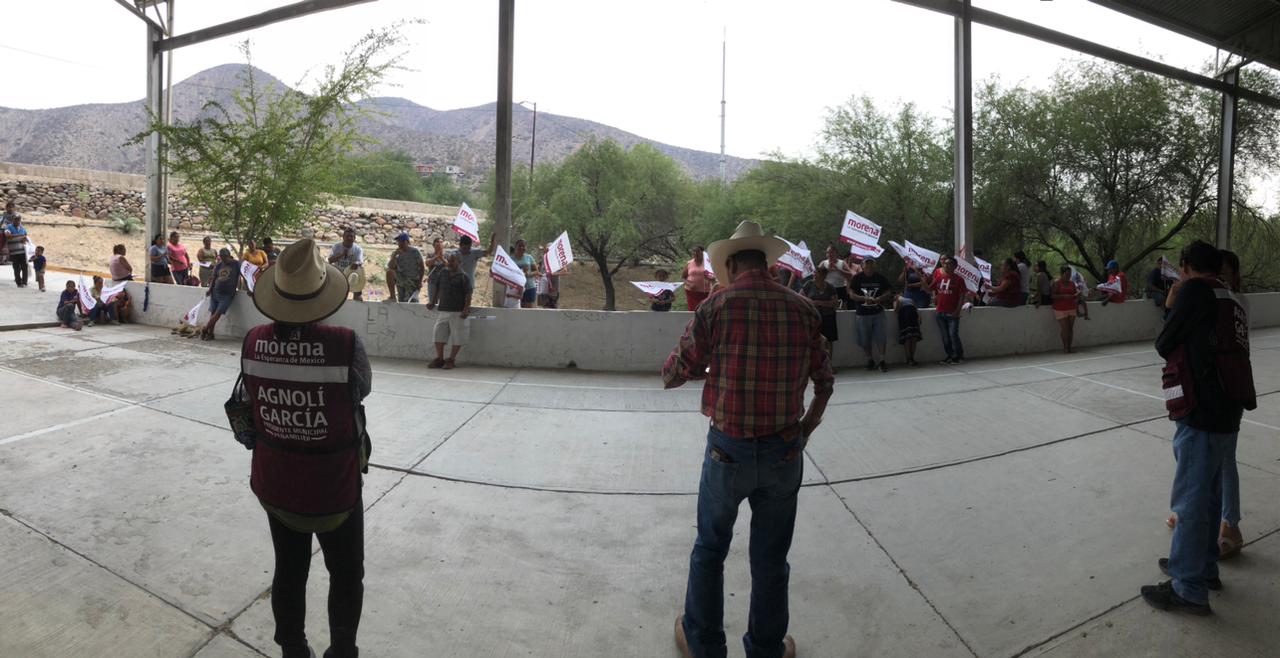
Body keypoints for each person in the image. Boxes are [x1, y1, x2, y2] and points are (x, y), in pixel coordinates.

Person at [663, 221, 833, 658]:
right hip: (784, 450)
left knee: (710, 548)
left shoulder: (716, 306)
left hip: (727, 452)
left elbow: (673, 374)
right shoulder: (803, 308)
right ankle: (766, 648)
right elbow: (825, 382)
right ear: (766, 262)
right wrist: (805, 429)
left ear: (734, 263)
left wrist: (708, 365)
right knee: (771, 559)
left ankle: (704, 645)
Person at [239, 238, 369, 658]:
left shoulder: (253, 342)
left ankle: (293, 649)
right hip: (335, 487)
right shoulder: (345, 344)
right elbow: (358, 393)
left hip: (277, 484)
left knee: (289, 571)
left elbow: (247, 408)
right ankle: (342, 651)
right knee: (347, 574)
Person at [1141, 241, 1256, 616]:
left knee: (1189, 501)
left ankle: (1187, 586)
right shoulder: (1231, 298)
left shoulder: (1194, 290)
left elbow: (1164, 342)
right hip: (1229, 410)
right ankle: (1202, 568)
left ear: (1187, 266)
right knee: (1208, 497)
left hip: (1201, 409)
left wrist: (1172, 301)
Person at [849, 257, 893, 372]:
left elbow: (889, 291)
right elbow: (851, 294)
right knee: (864, 338)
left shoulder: (880, 277)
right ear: (862, 266)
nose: (869, 267)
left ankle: (882, 360)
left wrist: (880, 298)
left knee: (881, 337)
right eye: (867, 265)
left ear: (874, 266)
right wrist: (863, 298)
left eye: (871, 265)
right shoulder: (857, 278)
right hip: (862, 313)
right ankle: (870, 359)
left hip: (878, 311)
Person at [429, 252, 472, 370]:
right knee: (438, 334)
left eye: (452, 261)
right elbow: (437, 287)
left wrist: (466, 308)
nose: (450, 263)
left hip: (458, 311)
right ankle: (440, 358)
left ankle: (451, 359)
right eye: (449, 260)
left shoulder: (464, 277)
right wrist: (433, 302)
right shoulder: (443, 273)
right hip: (443, 309)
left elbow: (468, 294)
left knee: (458, 337)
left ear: (459, 262)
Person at [931, 256, 967, 365]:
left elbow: (962, 296)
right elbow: (929, 288)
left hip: (952, 313)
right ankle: (950, 355)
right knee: (945, 337)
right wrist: (920, 276)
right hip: (940, 312)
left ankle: (958, 355)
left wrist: (957, 311)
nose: (946, 265)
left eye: (949, 264)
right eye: (945, 264)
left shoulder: (959, 280)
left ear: (955, 266)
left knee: (953, 335)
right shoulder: (939, 278)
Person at [202, 249, 240, 341]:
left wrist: (248, 288)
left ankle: (205, 329)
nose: (223, 259)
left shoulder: (236, 264)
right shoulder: (219, 265)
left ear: (229, 256)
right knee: (213, 313)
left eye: (225, 257)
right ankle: (210, 334)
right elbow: (214, 278)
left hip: (227, 294)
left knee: (218, 313)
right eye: (221, 257)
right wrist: (210, 289)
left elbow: (244, 275)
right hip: (216, 291)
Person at [802, 265, 840, 357]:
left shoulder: (830, 287)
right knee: (813, 340)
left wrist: (819, 303)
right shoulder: (809, 284)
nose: (815, 275)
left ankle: (829, 363)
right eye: (815, 272)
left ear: (824, 275)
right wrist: (810, 303)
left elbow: (835, 302)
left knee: (829, 340)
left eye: (817, 273)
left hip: (828, 316)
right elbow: (801, 297)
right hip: (813, 317)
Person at [327, 229, 366, 301]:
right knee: (336, 297)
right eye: (347, 236)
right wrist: (341, 255)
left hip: (351, 273)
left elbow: (360, 262)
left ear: (354, 238)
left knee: (358, 274)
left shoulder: (358, 249)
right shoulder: (336, 246)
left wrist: (357, 263)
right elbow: (330, 260)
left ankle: (357, 296)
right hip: (338, 272)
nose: (349, 238)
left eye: (351, 236)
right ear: (343, 237)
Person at [388, 233, 425, 303]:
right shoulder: (396, 253)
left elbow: (422, 267)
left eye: (402, 241)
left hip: (412, 280)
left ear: (407, 242)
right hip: (401, 279)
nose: (400, 244)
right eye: (399, 242)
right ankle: (392, 297)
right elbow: (391, 267)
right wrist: (395, 256)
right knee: (390, 272)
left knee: (410, 301)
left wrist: (420, 281)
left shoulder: (415, 252)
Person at [1050, 266, 1079, 353]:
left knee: (1070, 328)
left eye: (1070, 274)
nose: (1068, 276)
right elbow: (1052, 295)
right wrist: (1064, 296)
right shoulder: (1057, 283)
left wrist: (1077, 294)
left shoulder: (1072, 283)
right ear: (1062, 274)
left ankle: (1069, 346)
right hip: (1060, 308)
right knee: (1065, 328)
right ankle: (1065, 346)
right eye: (1067, 274)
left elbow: (1075, 292)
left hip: (1071, 306)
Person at [681, 245, 714, 311]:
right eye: (694, 251)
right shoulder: (689, 263)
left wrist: (711, 278)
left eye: (698, 251)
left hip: (706, 292)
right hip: (691, 292)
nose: (695, 253)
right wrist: (689, 284)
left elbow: (715, 276)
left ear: (702, 252)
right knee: (693, 310)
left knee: (705, 310)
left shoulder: (708, 263)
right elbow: (683, 277)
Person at [894, 293, 922, 367]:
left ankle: (912, 357)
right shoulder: (896, 301)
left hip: (913, 316)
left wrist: (919, 316)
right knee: (907, 338)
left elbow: (915, 308)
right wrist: (898, 304)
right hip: (904, 316)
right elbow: (896, 311)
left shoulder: (910, 299)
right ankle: (909, 358)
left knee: (914, 338)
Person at [511, 239, 539, 308]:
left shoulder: (529, 257)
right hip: (515, 289)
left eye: (523, 246)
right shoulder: (510, 259)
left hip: (529, 287)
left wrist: (528, 274)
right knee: (516, 311)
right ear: (515, 246)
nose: (521, 247)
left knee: (528, 312)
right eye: (519, 246)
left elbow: (536, 271)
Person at [5, 215, 29, 287]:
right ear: (13, 220)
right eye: (16, 219)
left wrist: (24, 239)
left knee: (25, 267)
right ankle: (19, 283)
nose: (17, 221)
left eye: (19, 220)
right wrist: (19, 235)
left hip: (23, 251)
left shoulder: (23, 228)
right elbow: (7, 235)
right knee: (16, 268)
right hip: (14, 252)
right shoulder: (9, 227)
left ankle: (24, 282)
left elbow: (25, 238)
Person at [424, 238, 448, 306]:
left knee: (443, 302)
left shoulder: (447, 255)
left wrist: (442, 258)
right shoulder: (430, 255)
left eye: (441, 244)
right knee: (432, 302)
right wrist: (436, 257)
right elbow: (427, 263)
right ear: (434, 246)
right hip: (432, 281)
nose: (439, 246)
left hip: (444, 282)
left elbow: (448, 265)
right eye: (437, 245)